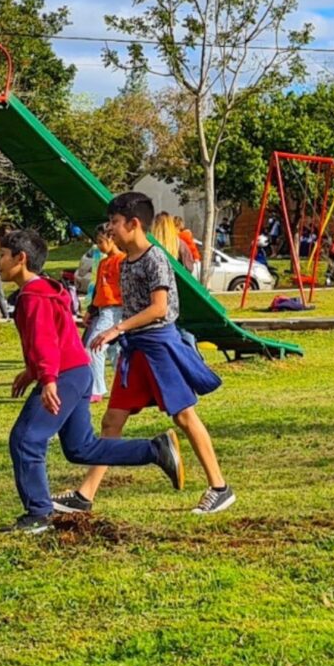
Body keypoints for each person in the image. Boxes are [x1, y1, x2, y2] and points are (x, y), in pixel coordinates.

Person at [51, 192, 235, 517]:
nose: (110, 230)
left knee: (184, 416)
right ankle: (85, 494)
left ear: (134, 224)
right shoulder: (125, 262)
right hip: (135, 350)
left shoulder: (154, 258)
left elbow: (159, 308)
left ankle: (220, 488)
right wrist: (98, 316)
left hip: (159, 346)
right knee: (112, 421)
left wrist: (117, 329)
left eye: (115, 223)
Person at [0, 228, 185, 533]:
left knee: (25, 439)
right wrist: (32, 372)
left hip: (63, 376)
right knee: (81, 447)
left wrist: (47, 380)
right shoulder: (46, 289)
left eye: (3, 256)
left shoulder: (33, 297)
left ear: (21, 259)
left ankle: (38, 514)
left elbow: (44, 341)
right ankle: (155, 450)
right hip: (78, 372)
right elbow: (58, 337)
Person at [84, 224, 126, 402]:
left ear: (111, 238)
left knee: (94, 347)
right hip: (103, 310)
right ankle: (125, 386)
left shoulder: (122, 260)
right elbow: (98, 290)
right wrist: (90, 310)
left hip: (115, 310)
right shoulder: (103, 262)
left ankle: (97, 388)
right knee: (114, 351)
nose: (99, 246)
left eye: (101, 241)